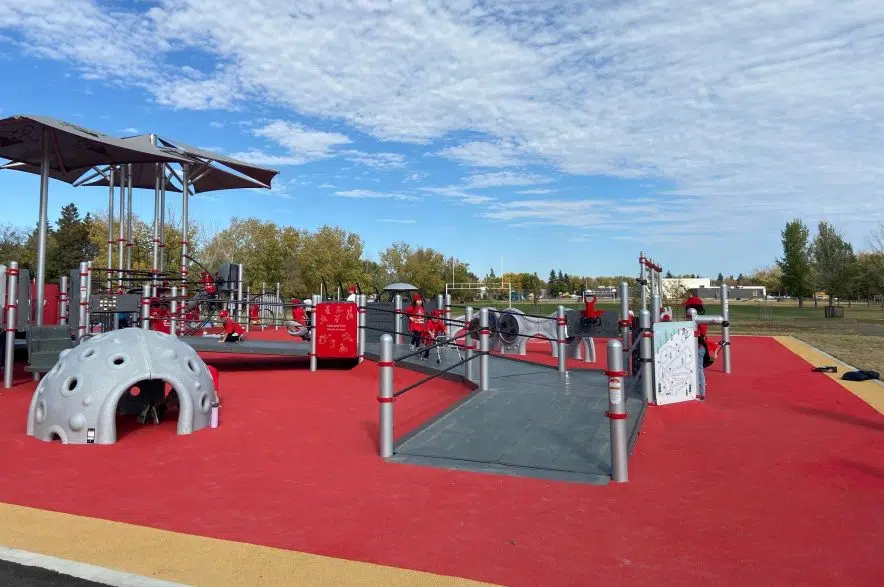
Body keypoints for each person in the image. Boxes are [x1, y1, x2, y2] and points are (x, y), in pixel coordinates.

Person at [683, 297, 718, 400]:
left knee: (698, 369)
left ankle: (701, 394)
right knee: (696, 369)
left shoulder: (699, 320)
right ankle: (697, 389)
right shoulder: (697, 319)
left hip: (698, 347)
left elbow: (699, 333)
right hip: (696, 347)